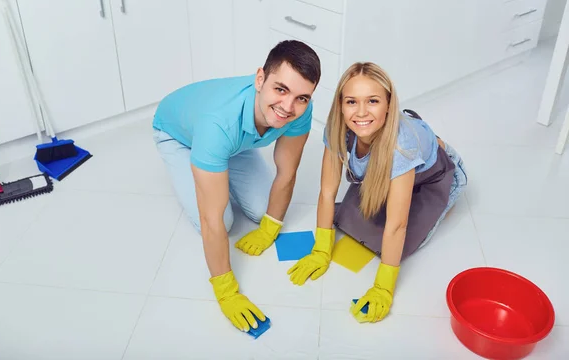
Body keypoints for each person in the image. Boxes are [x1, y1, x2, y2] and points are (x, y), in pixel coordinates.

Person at [152, 40, 321, 332]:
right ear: (260, 79)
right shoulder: (217, 124)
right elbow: (211, 218)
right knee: (225, 221)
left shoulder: (299, 108)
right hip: (179, 136)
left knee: (260, 211)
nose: (287, 107)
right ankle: (211, 164)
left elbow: (287, 171)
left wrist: (269, 228)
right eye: (280, 89)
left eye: (301, 97)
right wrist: (227, 291)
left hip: (235, 143)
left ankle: (218, 163)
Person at [287, 62, 467, 323]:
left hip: (435, 173)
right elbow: (327, 192)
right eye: (351, 102)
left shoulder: (400, 146)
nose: (360, 112)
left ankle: (436, 182)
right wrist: (321, 248)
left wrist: (383, 286)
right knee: (348, 221)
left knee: (394, 246)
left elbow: (397, 225)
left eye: (372, 101)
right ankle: (410, 131)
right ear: (340, 105)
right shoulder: (338, 128)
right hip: (389, 162)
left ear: (388, 103)